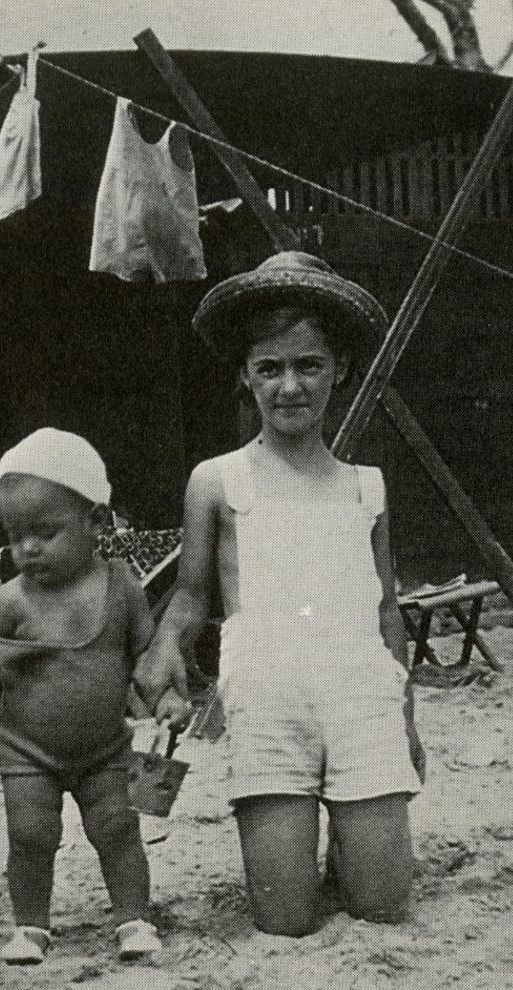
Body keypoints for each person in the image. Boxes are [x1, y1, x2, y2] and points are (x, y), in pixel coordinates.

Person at [135, 252, 425, 937]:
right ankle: (308, 846)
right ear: (244, 373)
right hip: (268, 704)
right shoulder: (217, 480)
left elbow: (384, 609)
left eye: (308, 365)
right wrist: (164, 648)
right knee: (284, 919)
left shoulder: (367, 487)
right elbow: (189, 594)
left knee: (382, 907)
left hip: (362, 701)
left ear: (341, 369)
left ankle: (357, 840)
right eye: (270, 368)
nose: (289, 386)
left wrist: (407, 718)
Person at [0, 428, 188, 965]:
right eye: (15, 534)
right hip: (28, 752)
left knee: (117, 829)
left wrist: (163, 698)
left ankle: (133, 917)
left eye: (45, 532)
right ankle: (30, 926)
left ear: (96, 522)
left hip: (107, 749)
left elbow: (145, 658)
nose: (26, 549)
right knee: (29, 834)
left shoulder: (121, 589)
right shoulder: (8, 603)